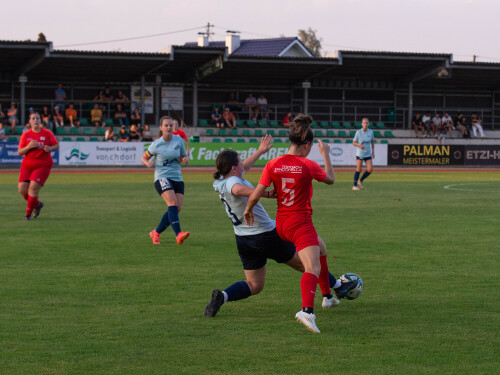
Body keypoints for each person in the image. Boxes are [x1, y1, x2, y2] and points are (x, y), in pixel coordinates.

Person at [205, 136, 342, 318]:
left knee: (254, 285)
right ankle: (338, 287)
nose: (243, 164)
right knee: (308, 264)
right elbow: (237, 189)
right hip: (265, 235)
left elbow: (241, 169)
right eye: (239, 161)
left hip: (243, 239)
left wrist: (260, 152)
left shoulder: (221, 180)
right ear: (233, 168)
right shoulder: (232, 183)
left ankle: (222, 296)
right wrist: (265, 193)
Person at [243, 114, 354, 334]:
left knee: (321, 249)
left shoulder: (273, 164)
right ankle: (306, 311)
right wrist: (326, 155)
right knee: (312, 267)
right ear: (307, 145)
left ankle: (327, 297)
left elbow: (255, 194)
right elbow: (330, 179)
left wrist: (248, 210)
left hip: (282, 223)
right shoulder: (307, 164)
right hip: (300, 222)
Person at [141, 116, 190, 246]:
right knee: (173, 204)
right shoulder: (156, 144)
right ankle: (179, 235)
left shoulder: (178, 140)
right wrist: (147, 163)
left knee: (176, 208)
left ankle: (156, 233)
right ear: (161, 127)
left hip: (177, 178)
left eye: (170, 125)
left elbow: (183, 154)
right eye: (166, 125)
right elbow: (144, 158)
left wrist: (185, 158)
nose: (169, 127)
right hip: (162, 177)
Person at [17, 112, 59, 220]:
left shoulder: (47, 133)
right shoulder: (26, 135)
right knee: (22, 189)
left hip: (43, 165)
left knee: (33, 187)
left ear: (40, 121)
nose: (36, 120)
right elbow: (20, 152)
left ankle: (28, 215)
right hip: (27, 166)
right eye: (33, 118)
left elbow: (56, 145)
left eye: (37, 118)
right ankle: (37, 204)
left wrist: (50, 148)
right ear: (29, 122)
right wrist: (29, 147)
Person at [352, 118, 375, 191]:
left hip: (368, 153)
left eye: (367, 123)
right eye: (364, 123)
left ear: (368, 124)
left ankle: (360, 180)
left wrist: (373, 151)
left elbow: (372, 142)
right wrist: (359, 145)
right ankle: (354, 186)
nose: (365, 124)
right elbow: (354, 142)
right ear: (362, 124)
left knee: (370, 169)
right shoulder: (358, 132)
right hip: (360, 154)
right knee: (359, 169)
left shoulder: (371, 132)